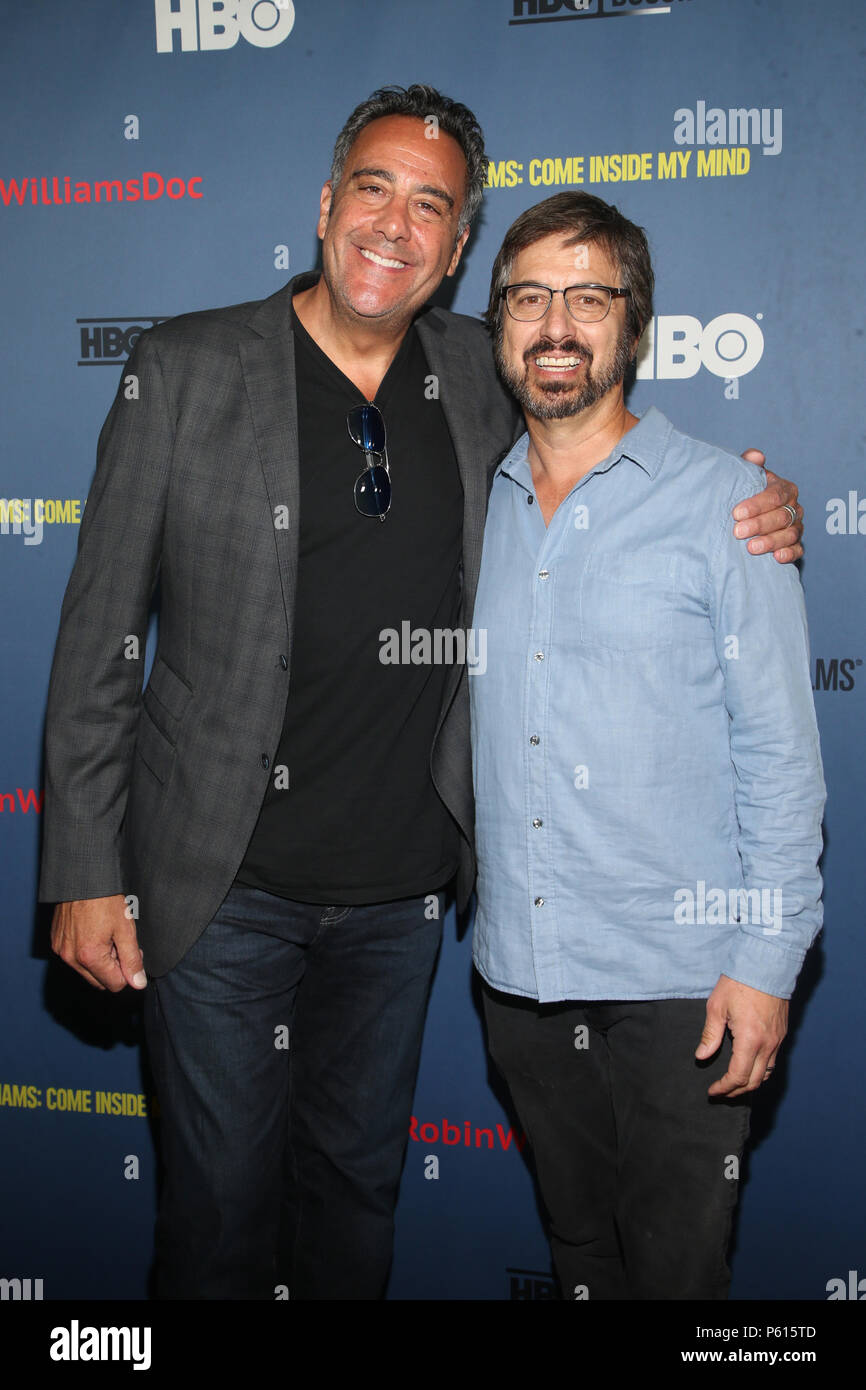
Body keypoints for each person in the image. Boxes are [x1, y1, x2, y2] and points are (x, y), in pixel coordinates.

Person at [39, 88, 802, 1302]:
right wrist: (82, 864)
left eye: (431, 208)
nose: (394, 224)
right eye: (375, 188)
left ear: (456, 252)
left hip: (400, 902)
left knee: (354, 1205)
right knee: (219, 1220)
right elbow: (96, 634)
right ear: (327, 201)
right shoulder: (181, 369)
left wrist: (755, 500)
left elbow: (603, 433)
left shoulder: (480, 370)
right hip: (217, 889)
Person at [471, 191, 825, 1301]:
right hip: (521, 974)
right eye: (528, 296)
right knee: (580, 1257)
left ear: (636, 324)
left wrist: (764, 967)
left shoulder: (725, 503)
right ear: (497, 327)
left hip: (684, 989)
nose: (556, 324)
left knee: (678, 1278)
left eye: (589, 295)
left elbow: (779, 756)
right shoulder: (470, 496)